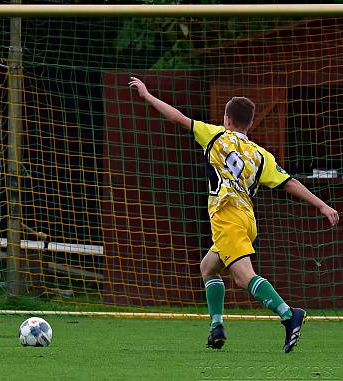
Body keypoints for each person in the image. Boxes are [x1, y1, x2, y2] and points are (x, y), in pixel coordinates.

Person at [129, 77, 339, 353]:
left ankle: (289, 315)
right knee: (208, 267)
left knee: (243, 276)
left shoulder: (215, 135)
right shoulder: (260, 155)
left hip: (227, 216)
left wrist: (147, 95)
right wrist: (322, 205)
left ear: (227, 119)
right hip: (247, 219)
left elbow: (179, 118)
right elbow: (289, 182)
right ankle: (216, 327)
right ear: (249, 124)